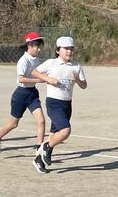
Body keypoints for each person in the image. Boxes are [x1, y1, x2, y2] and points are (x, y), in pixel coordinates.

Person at [0, 32, 47, 173]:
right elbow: (21, 79)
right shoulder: (23, 60)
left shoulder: (37, 60)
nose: (39, 49)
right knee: (13, 124)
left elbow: (40, 74)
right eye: (36, 46)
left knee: (41, 121)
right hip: (21, 94)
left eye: (39, 46)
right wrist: (40, 80)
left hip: (32, 94)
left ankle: (39, 150)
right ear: (29, 45)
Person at [31, 36, 87, 170]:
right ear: (58, 50)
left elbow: (84, 85)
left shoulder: (76, 66)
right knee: (65, 131)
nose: (69, 51)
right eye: (66, 48)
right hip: (54, 103)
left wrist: (77, 80)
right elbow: (34, 72)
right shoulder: (51, 63)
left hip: (67, 104)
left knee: (54, 135)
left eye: (71, 49)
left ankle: (39, 160)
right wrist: (48, 79)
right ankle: (46, 147)